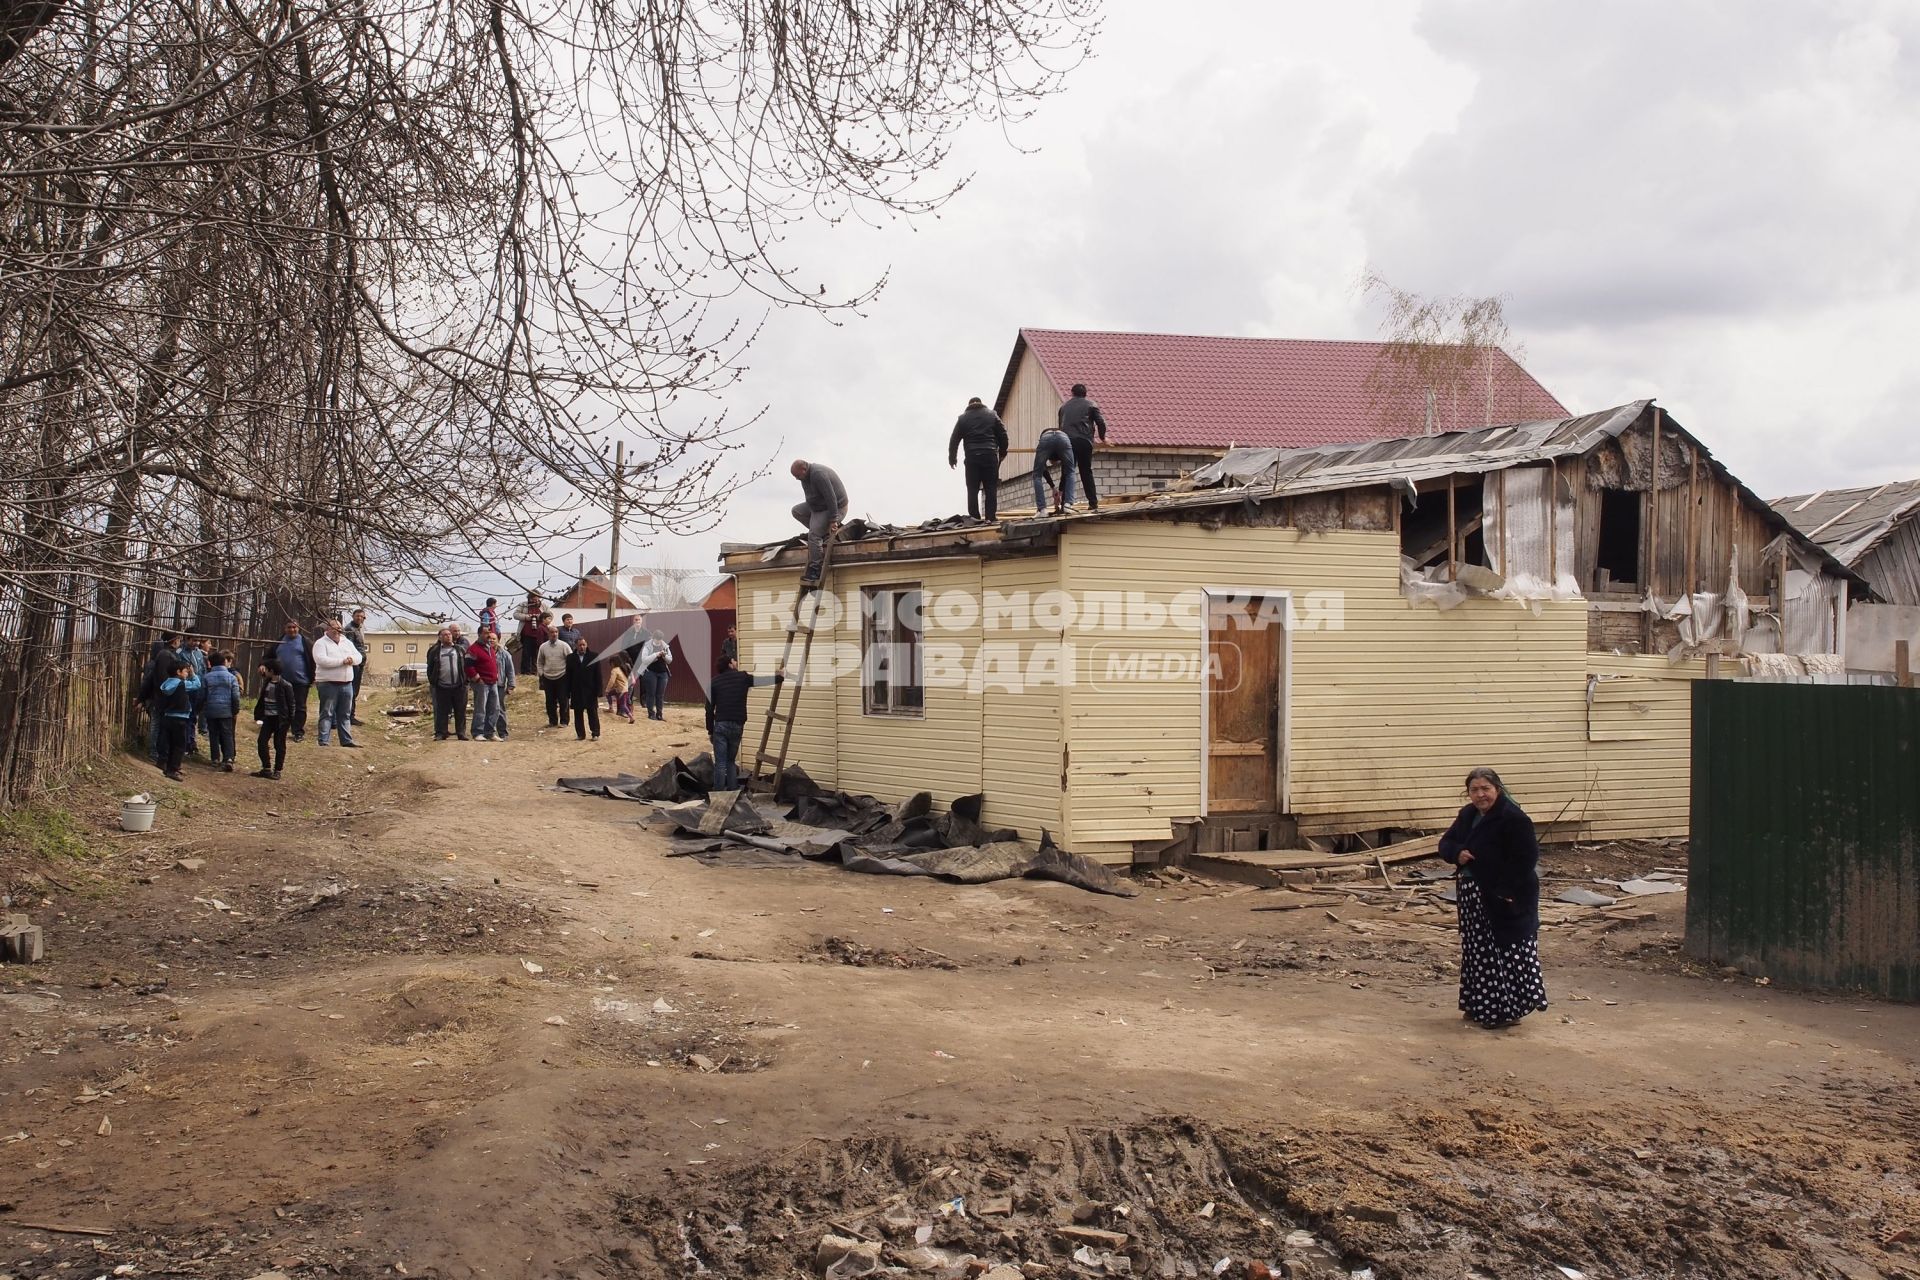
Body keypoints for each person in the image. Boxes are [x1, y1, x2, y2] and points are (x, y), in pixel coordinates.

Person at [1437, 767, 1547, 1030]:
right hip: (1475, 898)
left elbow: (1525, 859)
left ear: (1497, 789)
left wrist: (1504, 893)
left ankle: (1507, 1011)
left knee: (1508, 951)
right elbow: (1446, 843)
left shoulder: (1513, 818)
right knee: (1479, 952)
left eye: (1485, 788)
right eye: (1474, 790)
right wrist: (1458, 853)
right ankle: (1480, 1006)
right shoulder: (1468, 815)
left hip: (1506, 897)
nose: (1480, 795)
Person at [705, 655, 783, 791]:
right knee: (730, 761)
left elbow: (709, 709)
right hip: (737, 725)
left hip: (721, 725)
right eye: (734, 661)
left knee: (720, 763)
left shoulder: (713, 682)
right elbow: (761, 681)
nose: (736, 662)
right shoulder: (743, 677)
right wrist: (780, 677)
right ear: (730, 664)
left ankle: (718, 794)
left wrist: (710, 730)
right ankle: (733, 791)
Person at [947, 396, 1009, 522]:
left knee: (972, 488)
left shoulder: (962, 419)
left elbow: (954, 440)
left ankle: (975, 518)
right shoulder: (992, 415)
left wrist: (952, 458)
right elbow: (1003, 434)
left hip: (972, 458)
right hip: (990, 456)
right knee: (991, 487)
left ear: (969, 405)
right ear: (981, 403)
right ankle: (990, 517)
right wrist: (1002, 452)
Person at [789, 458, 848, 586]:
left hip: (835, 508)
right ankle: (822, 532)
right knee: (796, 511)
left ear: (804, 469)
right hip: (818, 507)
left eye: (797, 476)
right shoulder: (805, 477)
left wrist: (833, 520)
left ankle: (815, 569)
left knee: (813, 536)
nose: (796, 479)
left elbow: (831, 498)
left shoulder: (818, 474)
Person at [311, 617, 362, 748]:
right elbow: (321, 660)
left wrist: (352, 660)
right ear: (327, 629)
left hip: (346, 684)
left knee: (345, 714)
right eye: (335, 628)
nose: (338, 631)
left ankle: (346, 740)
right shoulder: (321, 643)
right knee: (327, 713)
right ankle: (323, 741)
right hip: (328, 683)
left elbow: (359, 656)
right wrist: (342, 661)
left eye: (340, 628)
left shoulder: (346, 642)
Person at [1058, 382, 1109, 512]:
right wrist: (1103, 438)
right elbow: (1100, 422)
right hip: (1084, 441)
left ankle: (1063, 504)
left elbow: (1061, 427)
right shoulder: (1091, 404)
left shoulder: (1063, 407)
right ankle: (1093, 503)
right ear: (1085, 394)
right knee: (1086, 471)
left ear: (1072, 393)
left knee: (1067, 471)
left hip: (1066, 442)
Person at [138, 632, 185, 765]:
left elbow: (149, 681)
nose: (179, 642)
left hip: (158, 697)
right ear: (174, 641)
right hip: (161, 698)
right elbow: (156, 680)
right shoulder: (166, 656)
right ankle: (155, 752)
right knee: (158, 725)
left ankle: (158, 752)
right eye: (178, 640)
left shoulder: (162, 656)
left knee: (158, 725)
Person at [155, 658, 201, 780]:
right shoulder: (181, 684)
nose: (187, 673)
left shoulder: (165, 684)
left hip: (167, 717)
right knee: (179, 745)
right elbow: (197, 685)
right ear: (179, 672)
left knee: (168, 743)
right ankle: (173, 769)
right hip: (180, 718)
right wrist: (193, 674)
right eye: (185, 671)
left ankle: (166, 766)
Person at [423, 626, 469, 740]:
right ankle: (441, 733)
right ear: (439, 637)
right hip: (442, 686)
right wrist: (433, 681)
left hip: (459, 686)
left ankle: (461, 733)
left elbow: (466, 665)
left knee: (460, 711)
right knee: (441, 711)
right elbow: (430, 668)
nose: (448, 636)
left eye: (449, 634)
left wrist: (465, 681)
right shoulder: (435, 651)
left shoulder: (459, 649)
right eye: (445, 635)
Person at [200, 650, 242, 772]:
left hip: (211, 710)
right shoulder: (231, 677)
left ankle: (215, 759)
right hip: (226, 710)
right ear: (224, 662)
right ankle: (228, 758)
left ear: (210, 663)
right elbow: (236, 696)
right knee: (227, 734)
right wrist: (235, 709)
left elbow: (202, 695)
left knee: (213, 734)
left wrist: (200, 708)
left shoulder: (207, 677)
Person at [274, 619, 315, 741]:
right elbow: (269, 656)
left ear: (299, 628)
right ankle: (281, 729)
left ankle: (298, 731)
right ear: (285, 628)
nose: (292, 630)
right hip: (282, 680)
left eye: (294, 627)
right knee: (282, 705)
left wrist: (313, 677)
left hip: (301, 681)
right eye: (289, 627)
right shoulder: (278, 641)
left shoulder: (305, 642)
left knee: (300, 707)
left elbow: (313, 660)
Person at [252, 656, 292, 778]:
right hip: (268, 718)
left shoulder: (285, 685)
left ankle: (278, 770)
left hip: (280, 720)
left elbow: (291, 704)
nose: (265, 672)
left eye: (267, 670)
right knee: (262, 741)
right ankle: (266, 767)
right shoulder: (267, 682)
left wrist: (288, 720)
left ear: (272, 671)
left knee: (279, 744)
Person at [466, 627, 504, 741]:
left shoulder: (490, 648)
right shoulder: (473, 649)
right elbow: (468, 666)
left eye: (489, 633)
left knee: (495, 708)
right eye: (485, 633)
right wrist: (477, 678)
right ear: (479, 634)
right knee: (480, 708)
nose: (488, 635)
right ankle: (477, 732)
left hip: (493, 682)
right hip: (481, 683)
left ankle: (490, 732)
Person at [564, 634, 603, 740]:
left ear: (586, 645)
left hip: (590, 690)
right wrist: (567, 692)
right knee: (578, 713)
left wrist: (599, 690)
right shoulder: (570, 658)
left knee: (592, 713)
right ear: (576, 646)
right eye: (580, 645)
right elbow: (568, 676)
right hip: (576, 690)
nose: (582, 647)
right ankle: (580, 734)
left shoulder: (593, 656)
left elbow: (598, 675)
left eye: (584, 645)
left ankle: (595, 733)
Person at [1031, 426, 1075, 515]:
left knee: (1037, 475)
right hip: (1063, 438)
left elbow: (1042, 468)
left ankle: (1042, 510)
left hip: (1046, 438)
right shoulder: (1062, 455)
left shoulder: (1046, 445)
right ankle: (1067, 505)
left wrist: (1057, 490)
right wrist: (1056, 489)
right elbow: (1065, 472)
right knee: (1070, 471)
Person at [536, 621, 572, 727]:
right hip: (548, 677)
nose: (554, 634)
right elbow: (539, 662)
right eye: (552, 632)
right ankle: (552, 721)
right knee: (550, 701)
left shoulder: (564, 646)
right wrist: (541, 674)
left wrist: (568, 674)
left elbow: (570, 660)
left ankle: (564, 721)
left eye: (556, 632)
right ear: (548, 633)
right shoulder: (543, 647)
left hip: (562, 676)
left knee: (563, 700)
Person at [482, 628, 515, 739]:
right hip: (485, 684)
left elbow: (510, 670)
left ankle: (503, 732)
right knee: (486, 708)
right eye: (489, 638)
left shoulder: (505, 654)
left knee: (499, 708)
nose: (491, 640)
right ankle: (488, 732)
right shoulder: (483, 653)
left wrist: (511, 685)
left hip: (499, 685)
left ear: (498, 640)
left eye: (494, 639)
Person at [182, 637, 210, 755]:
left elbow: (202, 671)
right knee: (185, 718)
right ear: (187, 639)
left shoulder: (198, 653)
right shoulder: (181, 652)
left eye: (198, 641)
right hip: (187, 690)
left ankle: (192, 743)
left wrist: (203, 689)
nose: (196, 643)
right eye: (193, 640)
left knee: (193, 717)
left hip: (198, 690)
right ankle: (185, 744)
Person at [637, 631, 671, 721]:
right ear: (653, 638)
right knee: (651, 693)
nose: (659, 642)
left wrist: (664, 656)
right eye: (657, 640)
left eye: (660, 640)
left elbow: (670, 660)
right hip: (650, 672)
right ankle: (651, 713)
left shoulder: (665, 646)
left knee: (660, 695)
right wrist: (656, 654)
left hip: (663, 673)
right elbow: (644, 660)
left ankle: (659, 714)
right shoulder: (647, 645)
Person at [344, 607, 370, 724]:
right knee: (352, 691)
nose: (360, 618)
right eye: (357, 616)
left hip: (360, 663)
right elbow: (350, 648)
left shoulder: (359, 629)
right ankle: (349, 716)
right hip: (354, 664)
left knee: (355, 690)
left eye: (362, 616)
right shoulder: (350, 629)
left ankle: (351, 715)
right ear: (353, 617)